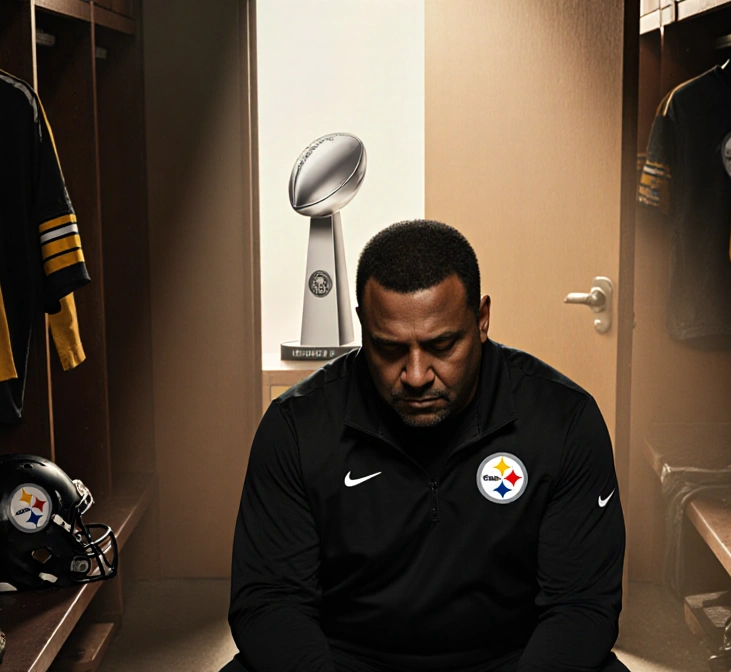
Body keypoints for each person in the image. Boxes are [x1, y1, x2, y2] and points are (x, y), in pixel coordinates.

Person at [223, 220, 628, 672]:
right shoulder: (295, 426)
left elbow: (581, 606)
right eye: (390, 348)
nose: (416, 375)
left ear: (481, 319)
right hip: (343, 660)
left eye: (441, 345)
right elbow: (269, 602)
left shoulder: (564, 420)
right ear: (362, 325)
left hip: (512, 660)